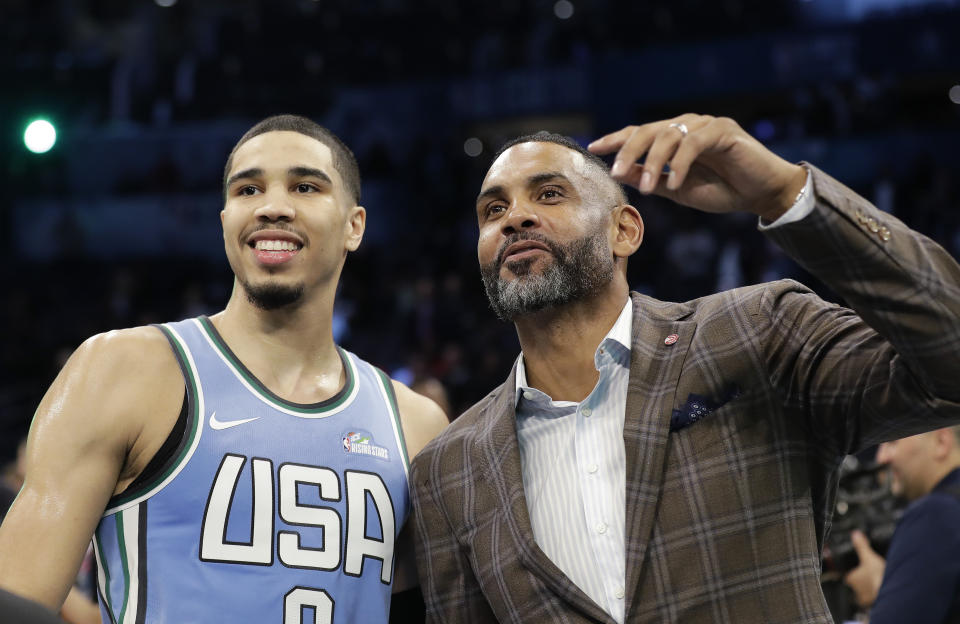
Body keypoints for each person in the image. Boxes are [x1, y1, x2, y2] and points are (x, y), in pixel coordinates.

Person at [409, 114, 960, 624]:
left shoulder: (756, 331)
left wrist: (785, 193)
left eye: (549, 194)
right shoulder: (447, 469)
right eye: (492, 210)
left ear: (624, 230)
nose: (515, 218)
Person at [0, 114, 448, 624]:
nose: (272, 207)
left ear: (354, 226)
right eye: (248, 189)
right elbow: (14, 600)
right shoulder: (125, 370)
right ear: (225, 221)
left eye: (304, 186)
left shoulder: (415, 425)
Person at [843, 427, 960, 623]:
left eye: (891, 442)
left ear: (941, 442)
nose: (881, 459)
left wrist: (882, 590)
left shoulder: (936, 512)